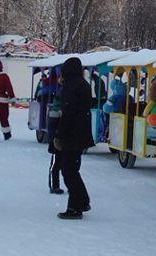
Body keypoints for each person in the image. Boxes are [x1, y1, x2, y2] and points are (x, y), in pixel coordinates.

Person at [54, 57, 94, 219]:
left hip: (72, 134)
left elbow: (68, 113)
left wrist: (59, 134)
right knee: (72, 170)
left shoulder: (70, 87)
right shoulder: (83, 84)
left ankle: (75, 207)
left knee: (69, 171)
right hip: (81, 132)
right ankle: (82, 201)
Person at [47, 72, 64, 195]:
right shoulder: (60, 95)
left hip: (59, 136)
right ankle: (55, 185)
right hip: (60, 137)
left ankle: (55, 185)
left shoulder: (60, 93)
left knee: (58, 163)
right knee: (58, 164)